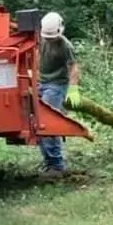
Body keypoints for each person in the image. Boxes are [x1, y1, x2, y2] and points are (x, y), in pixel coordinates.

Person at [37, 10, 78, 177]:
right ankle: (49, 162)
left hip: (56, 85)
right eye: (47, 37)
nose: (50, 40)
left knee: (49, 122)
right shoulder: (40, 38)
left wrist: (73, 90)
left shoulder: (66, 46)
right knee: (36, 124)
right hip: (40, 82)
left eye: (52, 37)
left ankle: (57, 165)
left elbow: (73, 67)